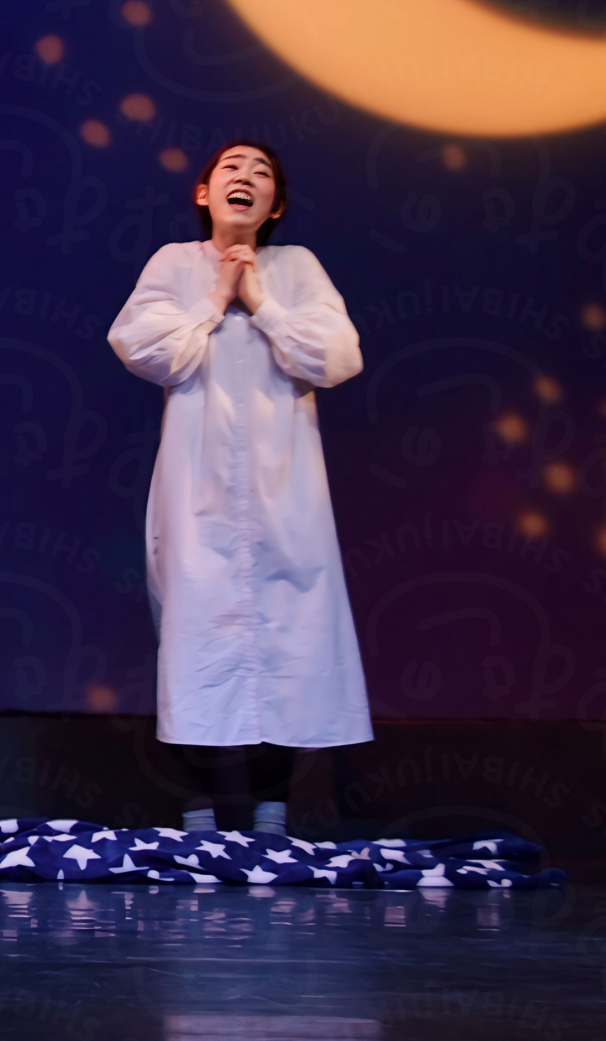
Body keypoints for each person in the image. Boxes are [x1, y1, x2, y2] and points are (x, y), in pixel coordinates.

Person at [106, 140, 369, 836]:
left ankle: (272, 814)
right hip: (198, 487)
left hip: (287, 485)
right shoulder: (175, 263)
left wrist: (264, 304)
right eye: (232, 167)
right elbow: (144, 348)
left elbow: (337, 356)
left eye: (261, 173)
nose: (246, 177)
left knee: (291, 637)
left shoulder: (297, 267)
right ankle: (199, 814)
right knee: (194, 635)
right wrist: (216, 300)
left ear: (274, 204)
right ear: (204, 192)